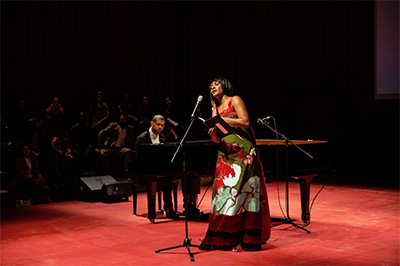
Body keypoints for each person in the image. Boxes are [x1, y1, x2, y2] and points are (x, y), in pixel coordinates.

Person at [199, 76, 271, 252]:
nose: (213, 87)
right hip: (225, 153)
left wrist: (221, 119)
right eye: (211, 86)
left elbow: (245, 122)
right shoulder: (214, 108)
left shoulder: (235, 100)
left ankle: (245, 237)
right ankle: (222, 236)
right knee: (222, 196)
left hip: (244, 153)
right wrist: (213, 134)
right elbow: (218, 137)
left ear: (224, 86)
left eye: (216, 84)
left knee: (244, 194)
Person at [135, 114, 179, 220]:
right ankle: (152, 211)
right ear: (152, 123)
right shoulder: (142, 138)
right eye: (158, 124)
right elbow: (139, 159)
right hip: (145, 170)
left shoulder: (162, 138)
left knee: (169, 177)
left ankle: (168, 208)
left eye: (162, 126)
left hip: (159, 169)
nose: (160, 127)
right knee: (161, 177)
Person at [98, 114, 135, 178]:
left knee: (128, 151)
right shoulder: (113, 126)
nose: (123, 121)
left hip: (121, 149)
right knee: (102, 152)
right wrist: (102, 144)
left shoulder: (130, 129)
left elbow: (131, 139)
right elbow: (101, 133)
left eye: (124, 120)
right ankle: (108, 172)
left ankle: (126, 170)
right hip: (112, 147)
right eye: (121, 120)